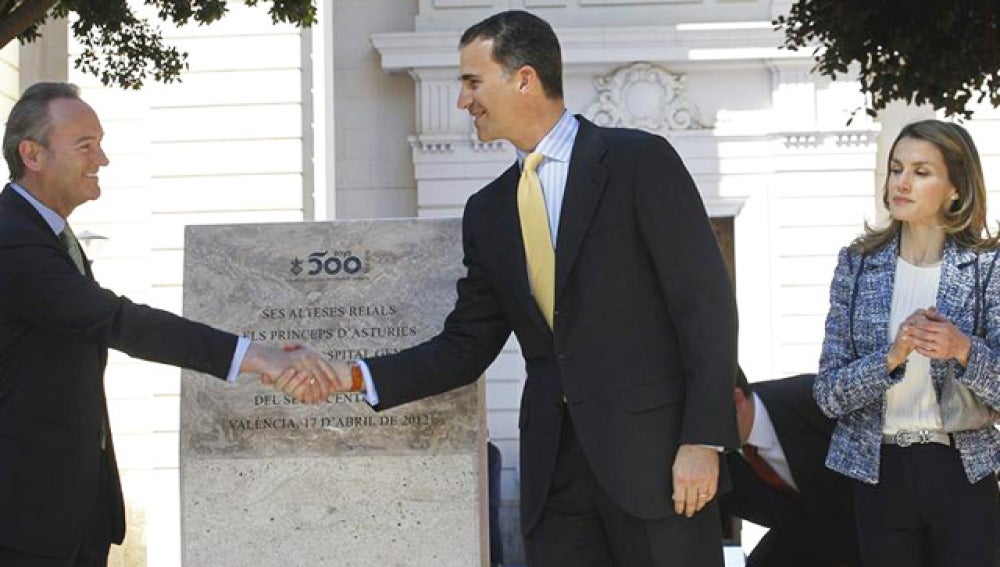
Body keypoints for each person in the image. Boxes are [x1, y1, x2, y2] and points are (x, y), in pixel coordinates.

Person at [277, 10, 739, 566]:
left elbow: (705, 306)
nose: (463, 100)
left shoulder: (640, 161)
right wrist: (351, 376)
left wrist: (702, 439)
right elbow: (464, 347)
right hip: (556, 478)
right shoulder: (489, 212)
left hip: (657, 466)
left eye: (473, 82)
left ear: (524, 78)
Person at [0, 81, 336, 566]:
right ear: (32, 154)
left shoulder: (48, 233)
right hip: (22, 523)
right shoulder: (12, 237)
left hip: (69, 517)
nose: (103, 160)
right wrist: (254, 357)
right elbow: (118, 321)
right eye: (85, 146)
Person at [813, 119, 1000, 567]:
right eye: (896, 168)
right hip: (878, 471)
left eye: (921, 171)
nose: (901, 182)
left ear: (955, 188)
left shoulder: (987, 268)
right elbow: (827, 395)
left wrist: (963, 349)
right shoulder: (856, 265)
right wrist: (891, 356)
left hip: (961, 468)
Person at [721, 369, 860, 567]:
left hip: (867, 528)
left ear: (737, 400)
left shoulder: (813, 397)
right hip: (800, 536)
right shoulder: (712, 462)